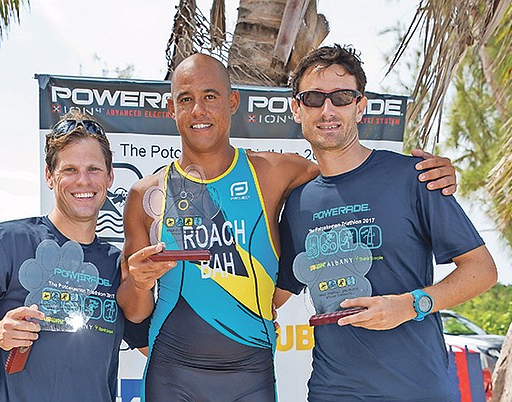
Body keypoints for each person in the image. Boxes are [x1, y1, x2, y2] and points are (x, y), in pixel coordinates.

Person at [116, 53, 458, 401]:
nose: (198, 110)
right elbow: (134, 310)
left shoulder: (274, 173)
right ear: (171, 108)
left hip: (250, 373)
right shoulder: (146, 195)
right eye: (186, 99)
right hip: (172, 374)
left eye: (210, 96)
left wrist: (435, 173)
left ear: (232, 101)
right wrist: (141, 283)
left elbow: (349, 175)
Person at [276, 44, 498, 401]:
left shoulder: (415, 177)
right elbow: (275, 292)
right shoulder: (299, 203)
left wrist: (410, 305)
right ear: (297, 109)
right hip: (334, 391)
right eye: (314, 98)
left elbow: (482, 270)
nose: (328, 109)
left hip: (417, 388)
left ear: (360, 106)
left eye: (342, 97)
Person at [0, 111, 149, 402]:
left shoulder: (117, 265)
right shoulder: (7, 242)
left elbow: (151, 347)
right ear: (50, 176)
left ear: (110, 176)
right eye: (70, 170)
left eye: (94, 169)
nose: (83, 181)